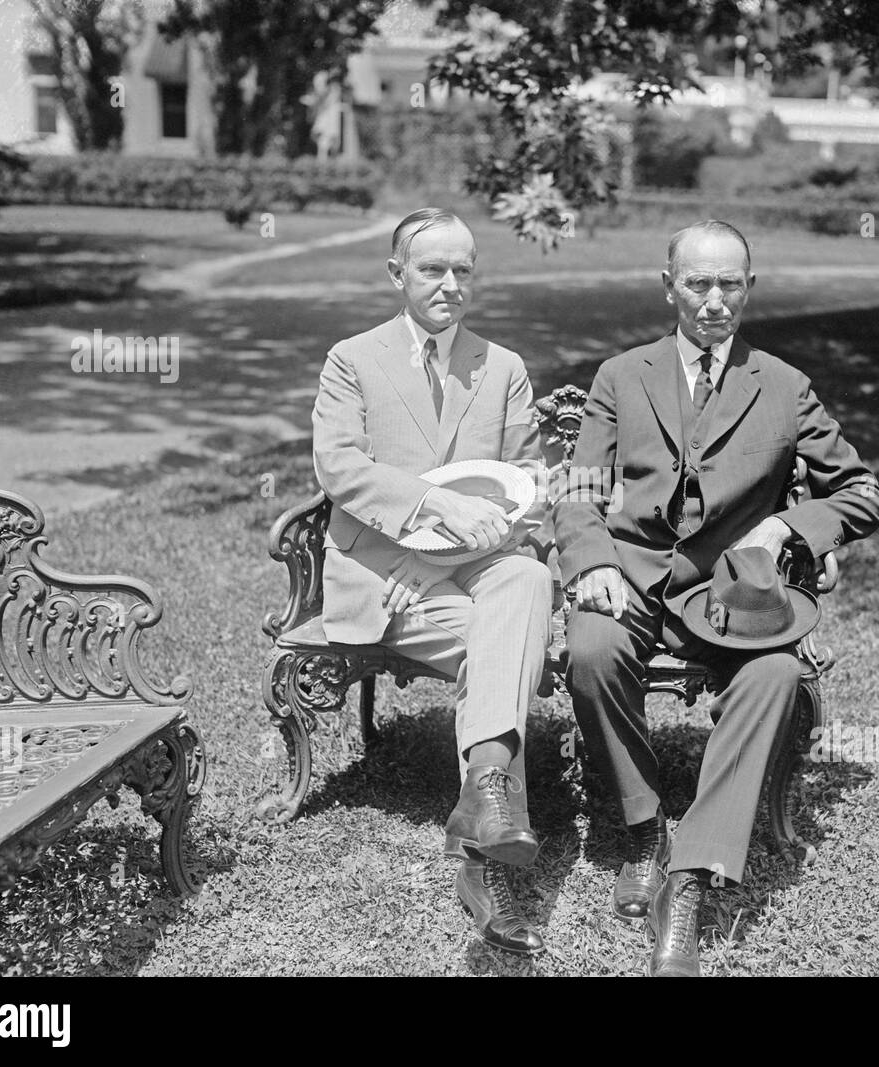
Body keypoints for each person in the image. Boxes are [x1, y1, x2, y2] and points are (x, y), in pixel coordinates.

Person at [554, 220, 879, 976]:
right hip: (634, 578)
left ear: (749, 289)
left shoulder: (784, 385)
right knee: (592, 649)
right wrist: (591, 563)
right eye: (698, 283)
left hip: (732, 597)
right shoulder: (621, 376)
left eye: (729, 285)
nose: (713, 302)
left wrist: (787, 527)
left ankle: (691, 876)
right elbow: (576, 490)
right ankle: (641, 830)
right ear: (667, 286)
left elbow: (862, 491)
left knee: (775, 675)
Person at [311, 208, 553, 956]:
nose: (451, 285)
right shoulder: (352, 360)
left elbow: (529, 486)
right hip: (384, 582)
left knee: (520, 576)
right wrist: (431, 514)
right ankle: (494, 840)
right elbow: (342, 470)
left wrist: (461, 546)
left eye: (464, 271)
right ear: (397, 275)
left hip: (469, 576)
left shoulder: (501, 366)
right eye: (433, 270)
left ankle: (482, 807)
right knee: (508, 641)